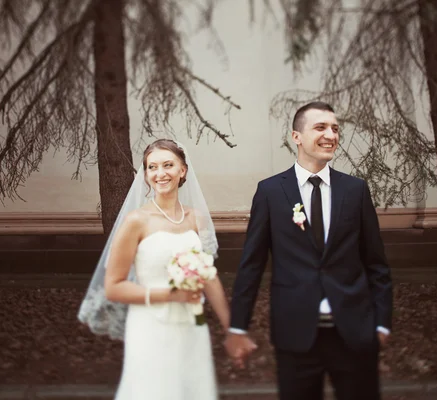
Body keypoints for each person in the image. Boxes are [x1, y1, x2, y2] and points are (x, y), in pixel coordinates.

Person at [224, 101, 393, 400]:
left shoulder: (355, 190)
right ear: (296, 137)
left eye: (335, 128)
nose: (331, 135)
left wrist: (381, 323)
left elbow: (376, 263)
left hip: (354, 332)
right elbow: (252, 264)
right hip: (295, 334)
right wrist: (238, 326)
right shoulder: (271, 192)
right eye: (320, 127)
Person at [78, 139, 230, 400]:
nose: (160, 174)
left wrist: (232, 329)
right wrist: (171, 296)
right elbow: (113, 287)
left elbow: (210, 278)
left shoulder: (197, 218)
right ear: (146, 174)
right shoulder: (136, 221)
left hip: (192, 326)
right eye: (152, 167)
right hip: (150, 326)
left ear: (183, 170)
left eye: (168, 165)